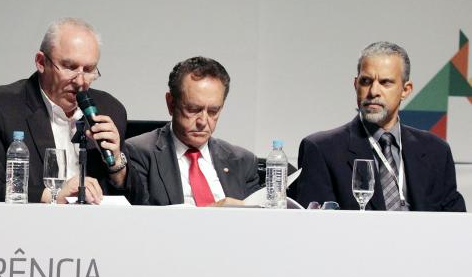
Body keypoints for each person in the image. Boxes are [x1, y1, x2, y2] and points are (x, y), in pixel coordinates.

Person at [0, 17, 140, 204]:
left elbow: (140, 200)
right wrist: (51, 195)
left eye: (89, 70)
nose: (80, 81)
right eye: (70, 67)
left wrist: (117, 164)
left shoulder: (110, 109)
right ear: (41, 62)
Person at [295, 41, 465, 211]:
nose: (373, 91)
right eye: (366, 81)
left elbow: (456, 224)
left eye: (385, 82)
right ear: (356, 85)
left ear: (406, 90)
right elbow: (315, 229)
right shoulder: (322, 150)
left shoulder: (436, 151)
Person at [125, 56, 259, 206]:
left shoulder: (243, 162)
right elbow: (141, 219)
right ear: (171, 104)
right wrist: (213, 213)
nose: (203, 121)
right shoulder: (138, 153)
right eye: (193, 109)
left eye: (213, 111)